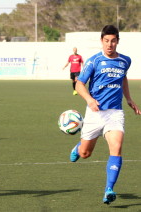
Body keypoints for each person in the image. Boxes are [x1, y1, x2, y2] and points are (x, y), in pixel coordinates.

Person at [69, 25, 141, 204]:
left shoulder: (125, 61)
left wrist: (129, 99)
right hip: (95, 113)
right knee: (86, 153)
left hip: (115, 113)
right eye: (106, 41)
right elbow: (79, 84)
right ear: (102, 41)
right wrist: (89, 100)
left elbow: (123, 77)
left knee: (116, 148)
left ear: (117, 41)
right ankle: (79, 147)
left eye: (113, 41)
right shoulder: (94, 61)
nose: (110, 44)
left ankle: (109, 189)